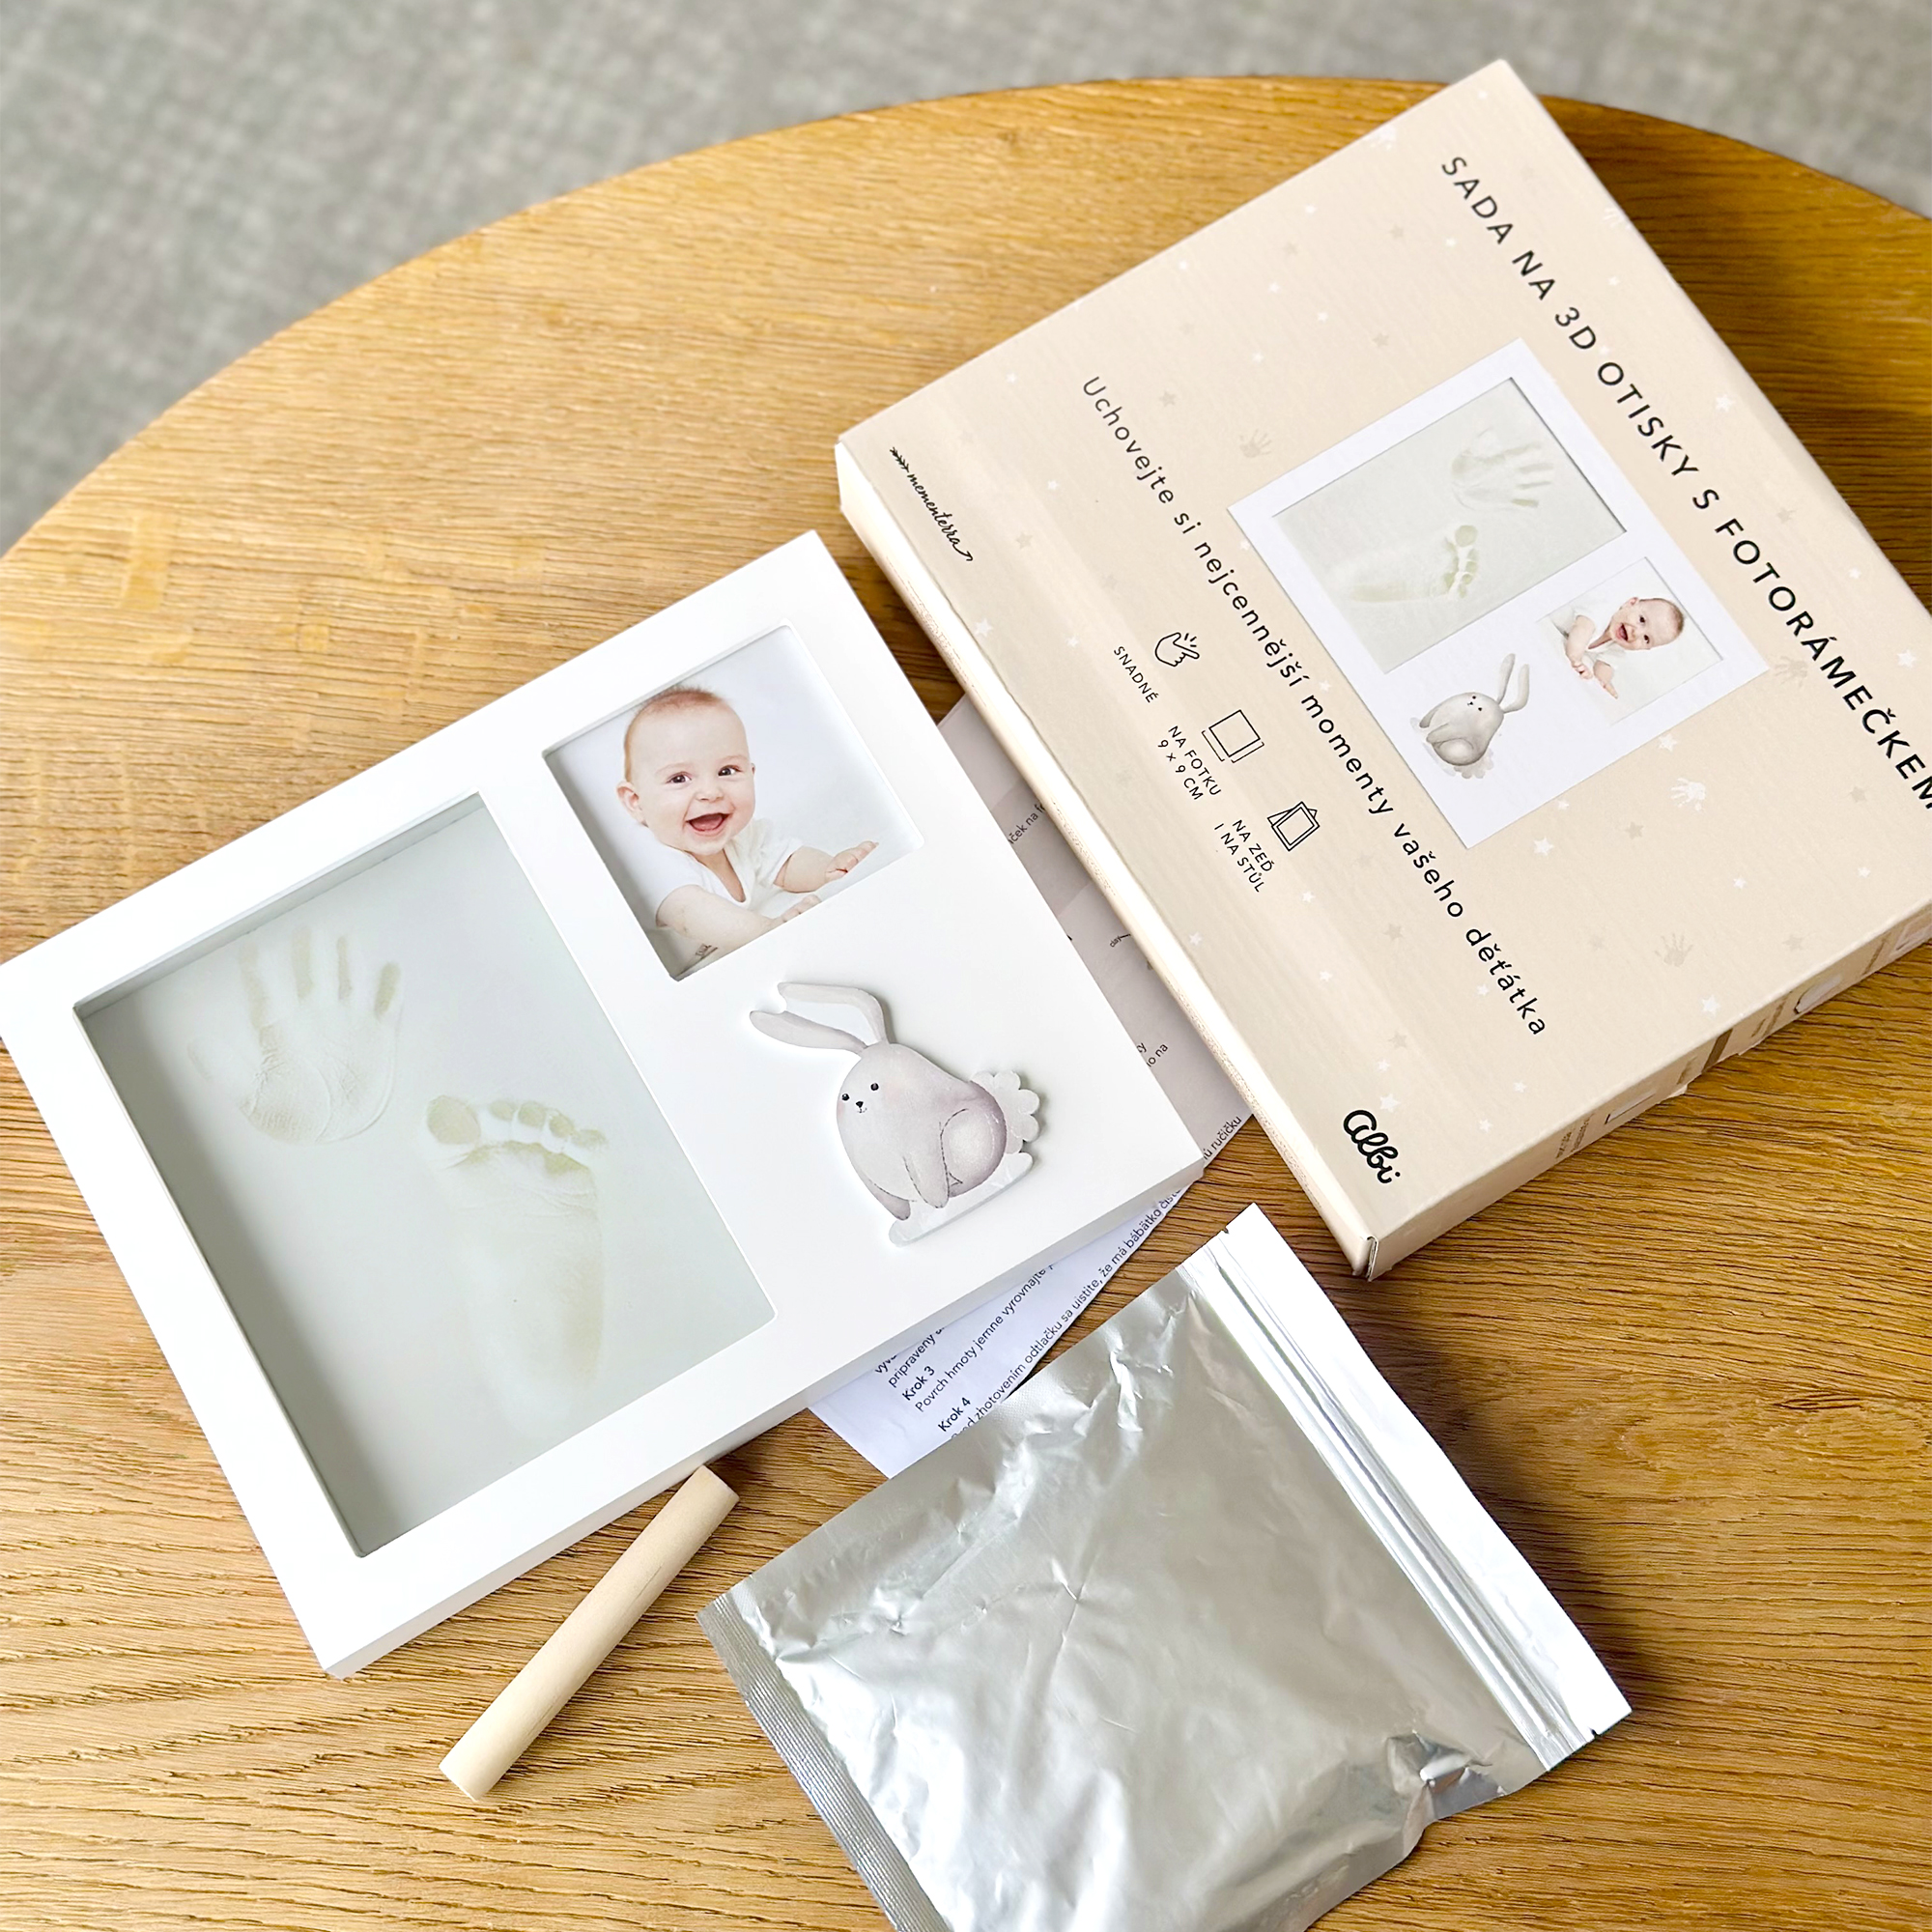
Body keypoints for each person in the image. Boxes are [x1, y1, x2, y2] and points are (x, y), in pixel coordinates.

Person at [615, 686, 876, 974]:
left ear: (751, 774)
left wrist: (828, 868)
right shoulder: (649, 862)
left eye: (727, 771)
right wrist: (769, 931)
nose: (710, 792)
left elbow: (786, 864)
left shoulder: (743, 835)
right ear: (636, 802)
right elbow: (690, 913)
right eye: (679, 778)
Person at [1561, 595, 1685, 699]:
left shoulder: (1618, 647)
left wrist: (1603, 682)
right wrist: (1575, 657)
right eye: (1642, 620)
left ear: (1646, 648)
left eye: (1646, 638)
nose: (1637, 633)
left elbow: (1606, 664)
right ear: (1630, 603)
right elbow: (1581, 630)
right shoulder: (1602, 612)